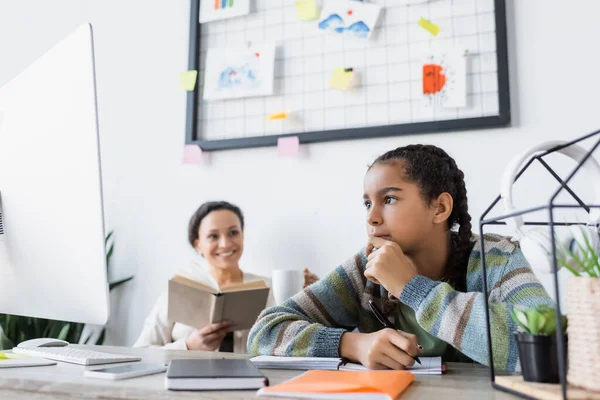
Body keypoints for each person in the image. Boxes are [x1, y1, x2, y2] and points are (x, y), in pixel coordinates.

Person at [247, 144, 554, 371]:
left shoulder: (497, 259)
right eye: (367, 204)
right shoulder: (363, 268)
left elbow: (549, 350)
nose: (373, 218)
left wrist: (413, 289)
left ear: (440, 208)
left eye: (390, 199)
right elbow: (265, 331)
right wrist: (352, 344)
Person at [134, 201, 318, 353]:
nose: (225, 243)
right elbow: (140, 352)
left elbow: (299, 343)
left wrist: (312, 297)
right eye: (213, 236)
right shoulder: (178, 291)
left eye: (233, 233)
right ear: (198, 245)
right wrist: (189, 346)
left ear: (242, 235)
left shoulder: (273, 289)